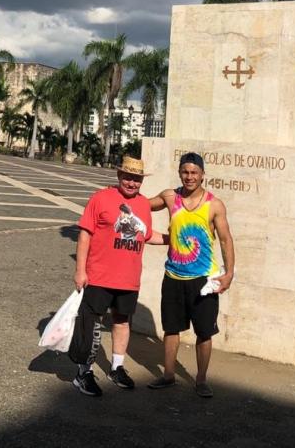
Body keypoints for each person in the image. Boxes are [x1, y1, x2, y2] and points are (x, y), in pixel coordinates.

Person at [68, 155, 166, 397]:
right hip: (99, 275)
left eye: (137, 179)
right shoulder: (100, 198)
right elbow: (85, 235)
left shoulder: (143, 204)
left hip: (128, 277)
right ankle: (84, 372)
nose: (132, 183)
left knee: (122, 322)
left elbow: (145, 234)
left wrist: (171, 239)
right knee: (92, 324)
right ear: (119, 175)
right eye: (128, 177)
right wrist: (80, 270)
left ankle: (116, 367)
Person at [146, 152, 236, 397]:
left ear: (203, 175)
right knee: (171, 329)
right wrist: (120, 193)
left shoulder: (214, 205)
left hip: (203, 280)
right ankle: (168, 375)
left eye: (194, 172)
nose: (189, 177)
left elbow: (227, 240)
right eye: (185, 172)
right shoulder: (169, 196)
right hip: (173, 277)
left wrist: (228, 275)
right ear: (179, 173)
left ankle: (201, 380)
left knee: (204, 332)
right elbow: (142, 205)